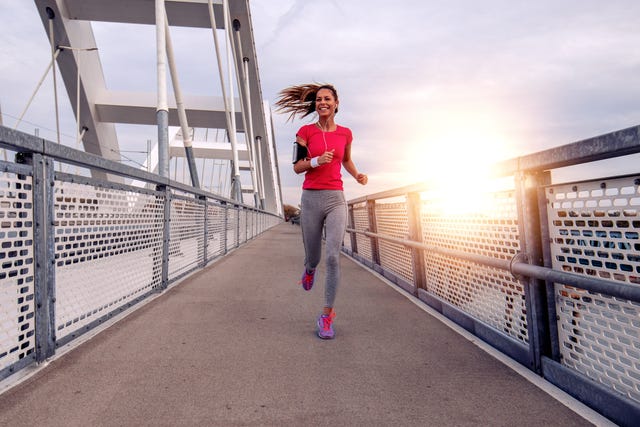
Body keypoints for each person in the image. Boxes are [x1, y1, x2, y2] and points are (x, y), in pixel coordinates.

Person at [275, 83, 368, 339]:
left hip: (336, 198)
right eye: (318, 99)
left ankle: (326, 316)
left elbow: (346, 159)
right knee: (315, 256)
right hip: (312, 199)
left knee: (333, 256)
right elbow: (297, 167)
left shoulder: (346, 133)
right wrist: (316, 161)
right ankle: (309, 269)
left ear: (336, 103)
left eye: (327, 99)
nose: (322, 102)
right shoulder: (305, 132)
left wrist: (357, 174)